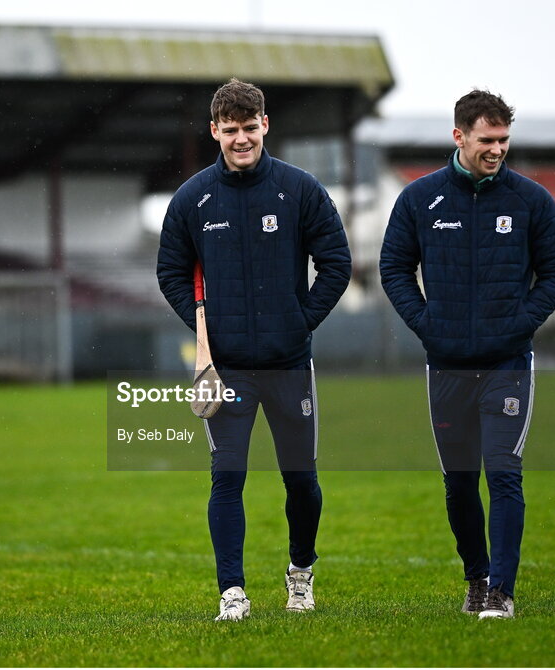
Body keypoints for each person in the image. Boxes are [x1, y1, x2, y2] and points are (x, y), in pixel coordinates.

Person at [157, 78, 351, 621]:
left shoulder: (300, 189)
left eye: (250, 128)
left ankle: (300, 573)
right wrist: (205, 331)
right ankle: (232, 592)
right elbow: (170, 271)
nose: (241, 139)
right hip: (227, 371)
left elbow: (337, 264)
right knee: (227, 477)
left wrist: (300, 323)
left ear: (265, 124)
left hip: (290, 364)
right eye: (230, 130)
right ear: (214, 130)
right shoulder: (193, 198)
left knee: (302, 483)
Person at [379, 89, 555, 619]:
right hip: (446, 364)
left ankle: (502, 593)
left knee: (504, 473)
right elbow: (394, 267)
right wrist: (426, 325)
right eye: (487, 140)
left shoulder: (531, 201)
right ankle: (477, 577)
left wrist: (520, 324)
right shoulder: (420, 200)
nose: (497, 150)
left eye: (504, 140)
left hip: (508, 364)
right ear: (459, 136)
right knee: (460, 481)